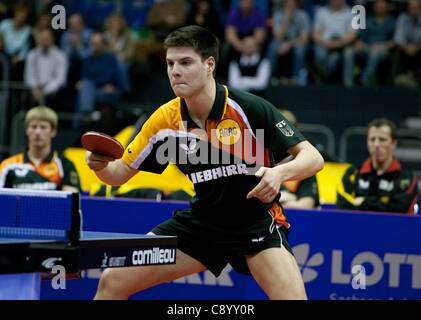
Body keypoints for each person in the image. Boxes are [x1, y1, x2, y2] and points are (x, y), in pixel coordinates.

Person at [86, 25, 324, 300]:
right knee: (112, 281)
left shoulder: (248, 108)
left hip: (255, 222)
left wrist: (279, 173)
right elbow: (119, 174)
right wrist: (100, 164)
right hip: (202, 224)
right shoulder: (165, 121)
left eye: (185, 62)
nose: (175, 71)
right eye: (170, 63)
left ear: (209, 64)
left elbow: (313, 158)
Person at [337, 118, 418, 214]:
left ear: (393, 143)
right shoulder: (353, 173)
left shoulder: (406, 177)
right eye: (372, 139)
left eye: (382, 139)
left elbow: (399, 208)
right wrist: (380, 203)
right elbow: (343, 206)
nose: (376, 144)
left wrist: (363, 201)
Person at [0, 106, 80, 192]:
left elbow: (71, 200)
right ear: (27, 130)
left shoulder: (65, 165)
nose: (38, 132)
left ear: (53, 131)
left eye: (43, 127)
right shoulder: (8, 165)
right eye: (34, 127)